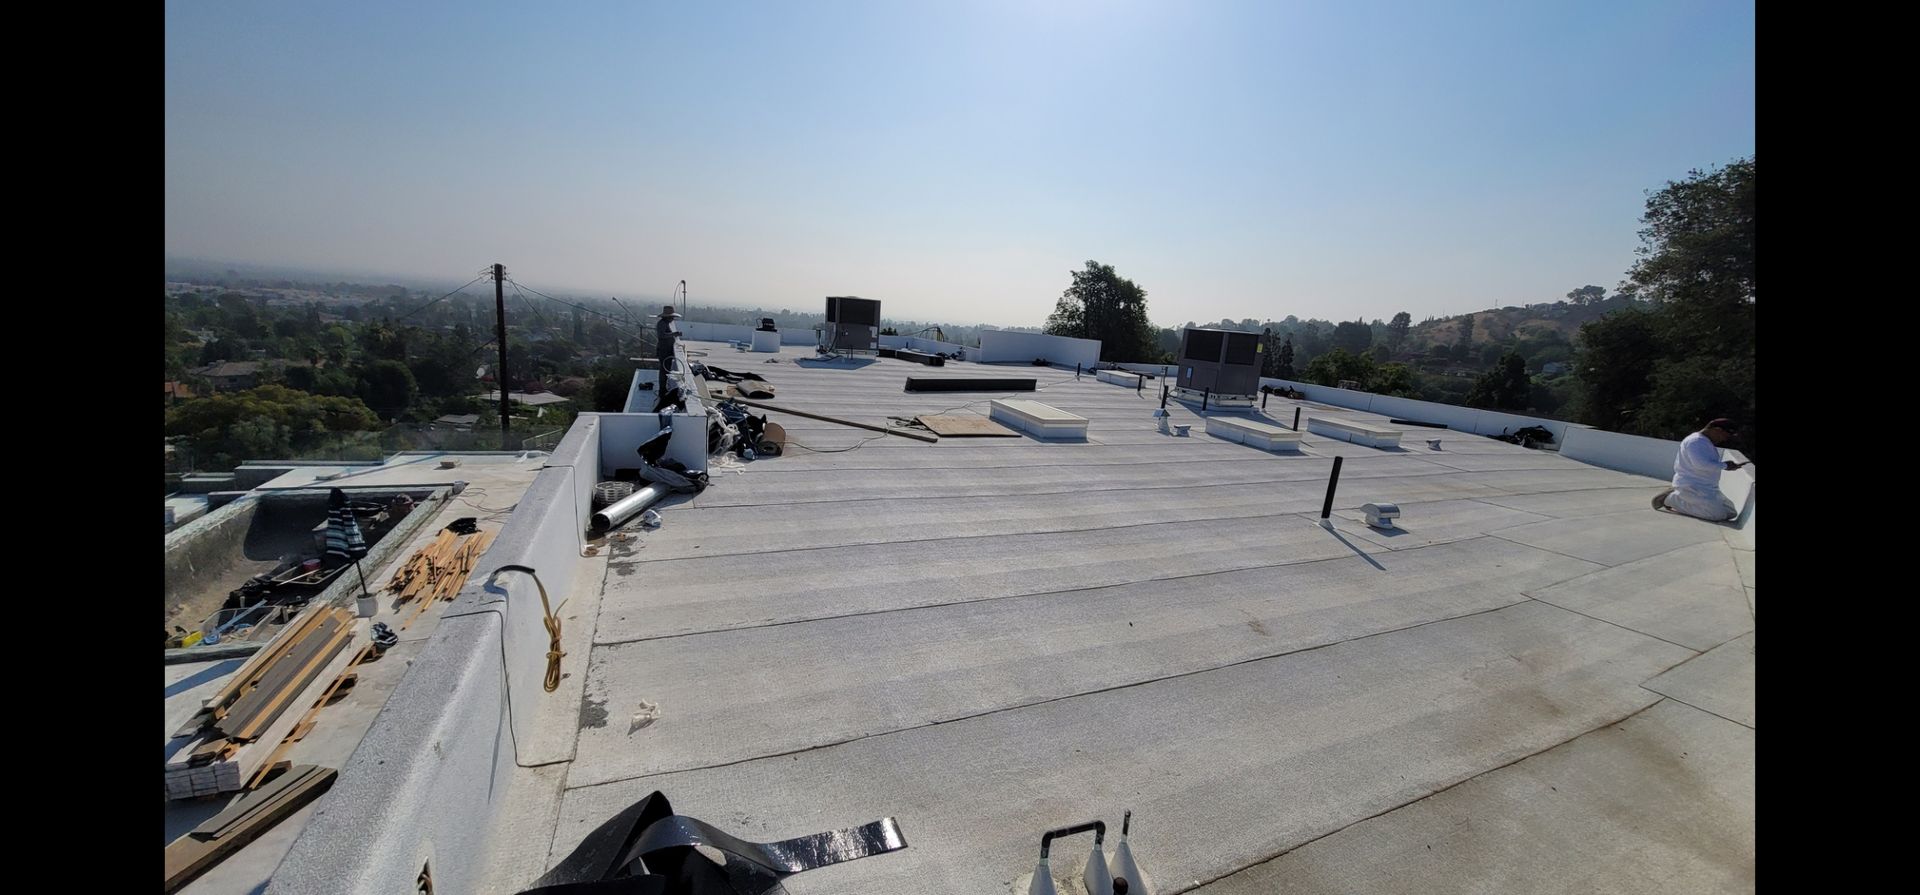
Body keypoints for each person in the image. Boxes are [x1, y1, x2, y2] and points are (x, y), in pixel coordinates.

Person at [1652, 418, 1750, 521]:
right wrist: (1725, 466)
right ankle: (1670, 499)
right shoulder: (1696, 441)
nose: (1724, 439)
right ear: (1717, 430)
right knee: (1716, 515)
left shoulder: (1704, 442)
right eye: (1725, 435)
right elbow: (1701, 464)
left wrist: (1726, 466)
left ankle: (1679, 497)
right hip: (1692, 486)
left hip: (1707, 488)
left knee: (1731, 512)